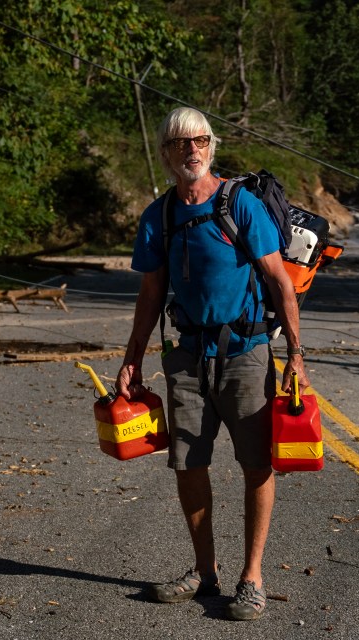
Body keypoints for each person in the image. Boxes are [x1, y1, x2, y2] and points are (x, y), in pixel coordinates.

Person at [116, 107, 309, 621]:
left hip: (246, 354)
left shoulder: (239, 204)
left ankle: (252, 578)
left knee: (255, 464)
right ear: (165, 153)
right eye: (181, 144)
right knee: (189, 464)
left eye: (200, 141)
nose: (192, 151)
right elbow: (151, 292)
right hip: (186, 357)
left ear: (212, 147)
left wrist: (295, 356)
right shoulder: (158, 216)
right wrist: (132, 360)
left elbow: (278, 282)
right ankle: (205, 573)